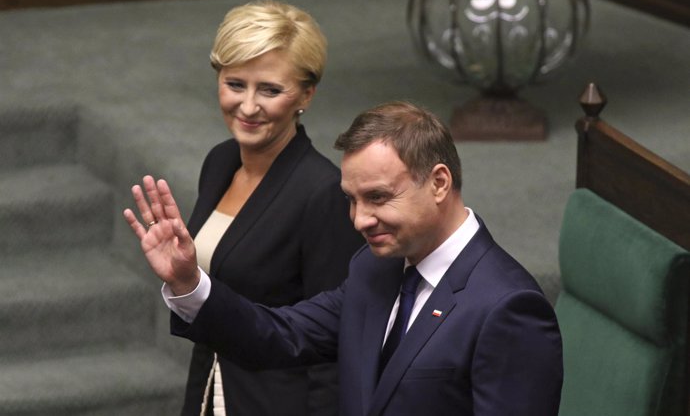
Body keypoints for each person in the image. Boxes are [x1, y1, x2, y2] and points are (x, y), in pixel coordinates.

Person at [125, 101, 563, 416]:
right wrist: (188, 282)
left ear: (439, 183)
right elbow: (281, 335)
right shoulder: (373, 268)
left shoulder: (508, 309)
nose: (359, 220)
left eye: (377, 198)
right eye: (351, 201)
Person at [123, 0, 364, 416]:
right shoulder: (220, 161)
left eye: (270, 89)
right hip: (210, 390)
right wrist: (184, 278)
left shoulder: (323, 192)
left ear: (306, 94)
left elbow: (336, 343)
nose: (248, 107)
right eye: (235, 84)